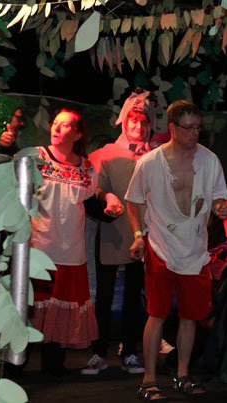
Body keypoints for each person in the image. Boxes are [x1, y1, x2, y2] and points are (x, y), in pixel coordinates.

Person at [125, 99, 227, 400]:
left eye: (198, 128)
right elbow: (134, 199)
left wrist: (220, 208)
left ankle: (183, 375)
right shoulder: (149, 163)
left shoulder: (210, 161)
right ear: (172, 128)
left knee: (190, 315)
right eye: (188, 128)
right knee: (156, 313)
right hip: (160, 245)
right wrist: (137, 235)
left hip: (195, 249)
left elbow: (219, 198)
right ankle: (148, 379)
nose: (194, 133)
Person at [30, 109, 124, 376]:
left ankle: (53, 365)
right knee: (30, 308)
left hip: (70, 250)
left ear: (79, 133)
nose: (57, 128)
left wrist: (109, 204)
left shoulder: (85, 168)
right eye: (55, 123)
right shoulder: (36, 157)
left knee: (59, 308)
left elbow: (91, 204)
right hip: (39, 247)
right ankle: (16, 366)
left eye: (65, 125)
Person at [81, 90, 155, 375]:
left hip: (142, 231)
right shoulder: (109, 152)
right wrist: (106, 197)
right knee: (105, 293)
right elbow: (94, 187)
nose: (138, 127)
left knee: (135, 293)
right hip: (113, 228)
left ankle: (130, 351)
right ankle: (99, 352)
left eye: (143, 122)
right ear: (124, 121)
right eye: (133, 121)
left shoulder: (155, 155)